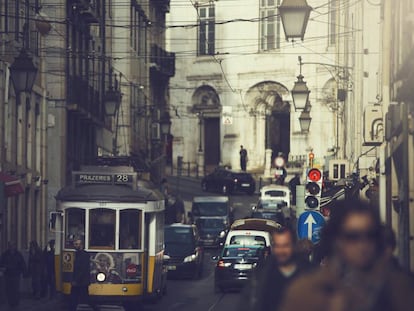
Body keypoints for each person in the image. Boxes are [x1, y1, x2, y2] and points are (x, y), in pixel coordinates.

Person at [280, 199, 414, 311]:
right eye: (353, 237)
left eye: (370, 235)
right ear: (336, 239)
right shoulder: (306, 292)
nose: (363, 245)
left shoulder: (401, 289)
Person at [238, 226, 312, 311]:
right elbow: (248, 302)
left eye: (285, 246)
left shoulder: (308, 272)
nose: (281, 251)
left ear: (293, 246)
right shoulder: (262, 271)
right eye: (277, 246)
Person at [0, 241, 27, 308]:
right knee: (9, 289)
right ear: (8, 246)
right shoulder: (5, 254)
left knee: (15, 289)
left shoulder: (18, 254)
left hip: (16, 275)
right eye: (10, 245)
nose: (11, 247)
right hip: (8, 275)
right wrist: (2, 268)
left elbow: (22, 263)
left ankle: (15, 303)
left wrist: (24, 272)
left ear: (14, 246)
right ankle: (10, 302)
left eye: (12, 245)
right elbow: (1, 263)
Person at [70, 238, 91, 311]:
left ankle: (96, 308)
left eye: (77, 244)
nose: (75, 246)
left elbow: (82, 269)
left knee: (85, 298)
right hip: (80, 281)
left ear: (81, 245)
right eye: (75, 244)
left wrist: (76, 280)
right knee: (74, 298)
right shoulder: (78, 254)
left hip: (81, 281)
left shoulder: (84, 255)